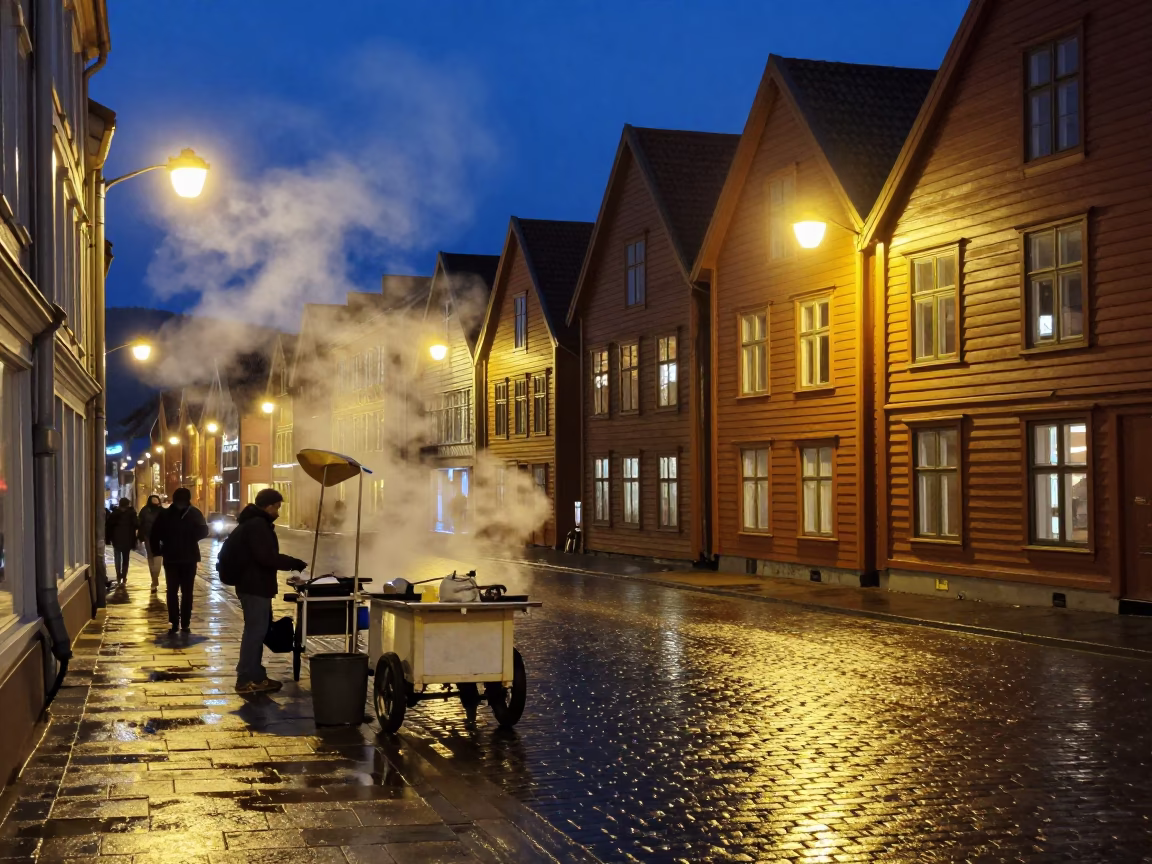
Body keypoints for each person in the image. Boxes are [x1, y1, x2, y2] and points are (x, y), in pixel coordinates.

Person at [227, 488, 307, 694]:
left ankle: (256, 675)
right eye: (277, 507)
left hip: (253, 585)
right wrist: (292, 562)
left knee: (257, 631)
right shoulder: (257, 525)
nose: (278, 512)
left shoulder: (253, 523)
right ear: (269, 506)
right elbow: (266, 557)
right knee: (255, 632)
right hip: (255, 586)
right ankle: (246, 678)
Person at [150, 487, 208, 633]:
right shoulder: (195, 513)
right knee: (187, 591)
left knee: (172, 590)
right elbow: (204, 531)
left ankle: (174, 621)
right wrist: (190, 539)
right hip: (189, 557)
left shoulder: (165, 514)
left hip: (171, 557)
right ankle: (186, 622)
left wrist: (158, 550)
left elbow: (154, 534)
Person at [105, 498, 139, 585]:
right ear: (127, 505)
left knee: (117, 558)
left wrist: (108, 539)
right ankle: (124, 577)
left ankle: (118, 576)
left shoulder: (114, 514)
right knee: (126, 558)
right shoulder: (131, 514)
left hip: (116, 539)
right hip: (128, 539)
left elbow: (108, 527)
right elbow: (137, 524)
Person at [137, 495, 164, 592]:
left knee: (158, 558)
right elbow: (140, 523)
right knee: (150, 557)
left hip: (160, 538)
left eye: (157, 499)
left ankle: (155, 577)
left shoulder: (162, 511)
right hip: (148, 537)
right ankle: (154, 580)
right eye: (153, 499)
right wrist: (140, 536)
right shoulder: (144, 510)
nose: (155, 500)